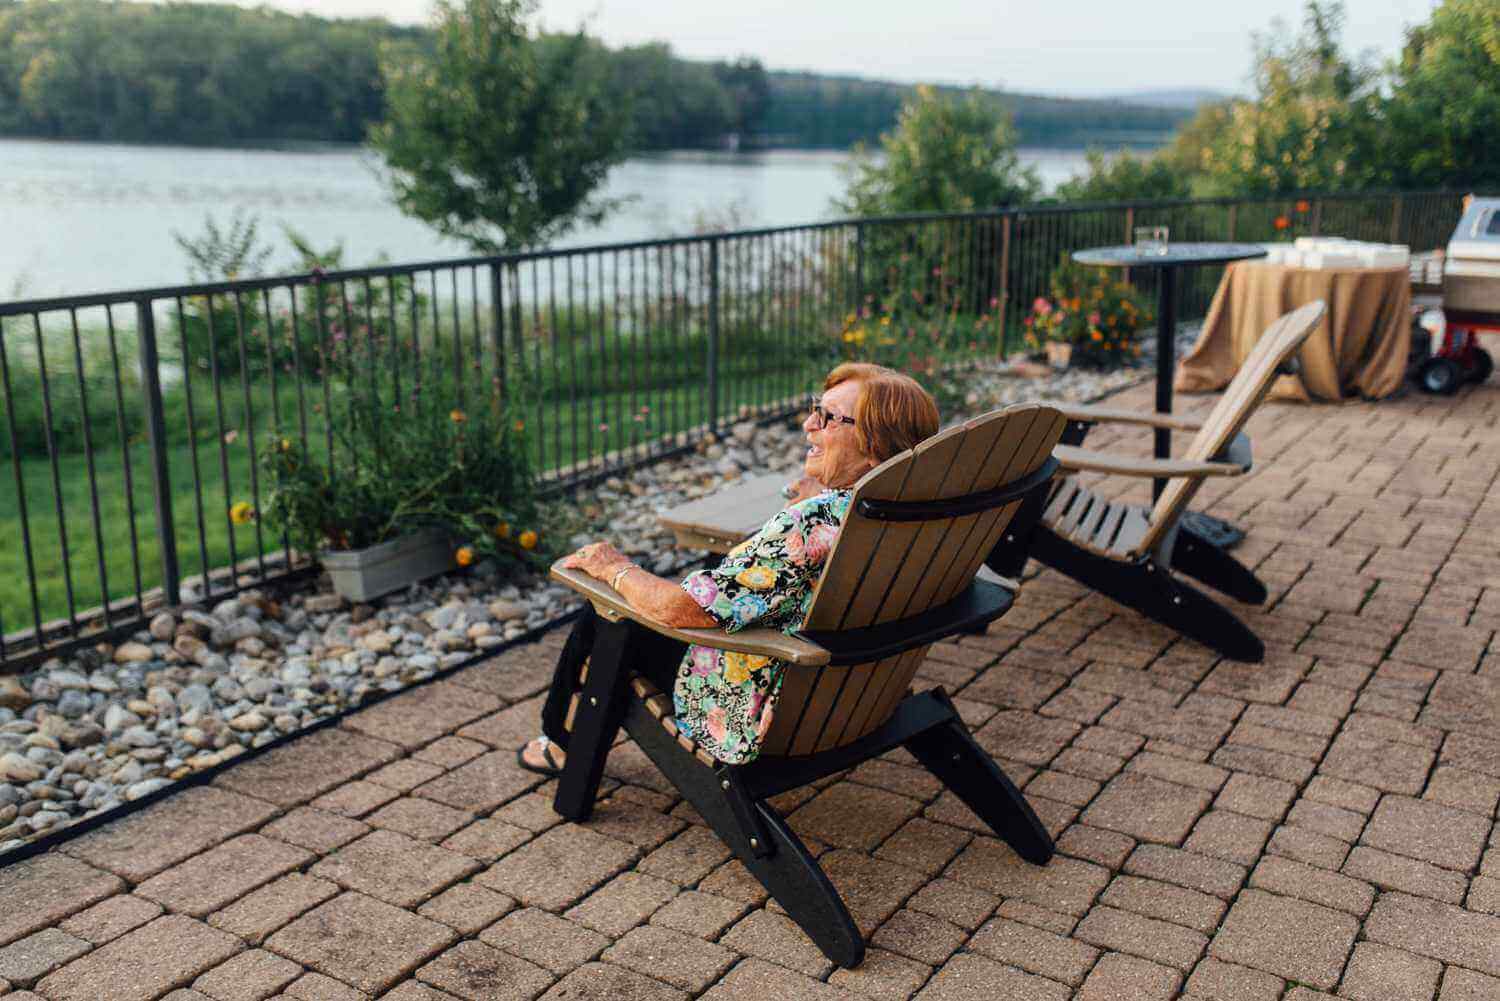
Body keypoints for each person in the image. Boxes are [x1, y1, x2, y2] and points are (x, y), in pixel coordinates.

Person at [519, 362, 940, 773]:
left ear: (875, 447)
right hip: (854, 693)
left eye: (829, 418)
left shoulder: (813, 525)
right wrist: (823, 497)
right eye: (816, 408)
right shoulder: (916, 512)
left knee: (605, 618)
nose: (808, 425)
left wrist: (614, 569)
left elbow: (682, 610)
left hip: (755, 705)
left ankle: (562, 746)